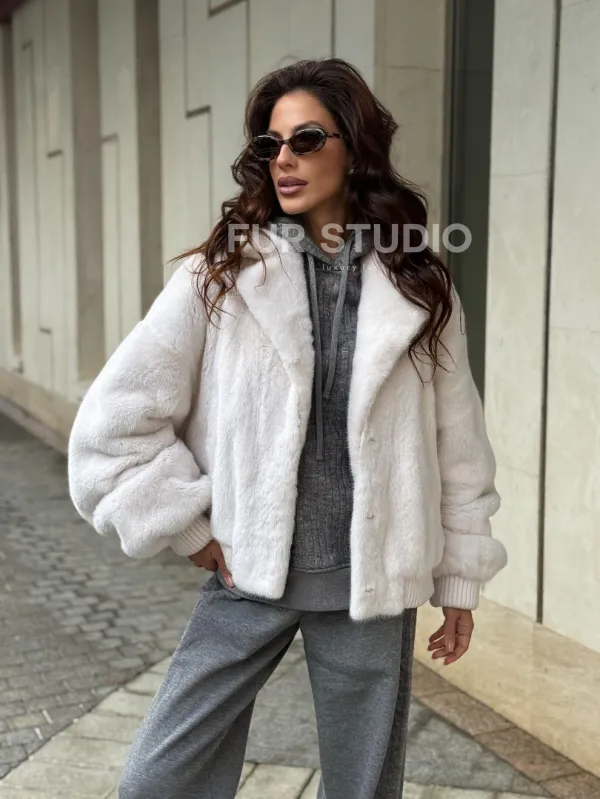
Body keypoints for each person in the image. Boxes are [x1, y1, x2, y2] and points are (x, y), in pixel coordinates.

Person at [68, 58, 507, 799]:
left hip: (371, 584)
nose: (284, 160)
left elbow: (456, 444)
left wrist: (459, 577)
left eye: (305, 139)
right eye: (269, 145)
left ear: (354, 148)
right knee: (156, 780)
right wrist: (187, 525)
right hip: (247, 574)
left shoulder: (418, 283)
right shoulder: (220, 276)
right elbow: (114, 423)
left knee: (363, 789)